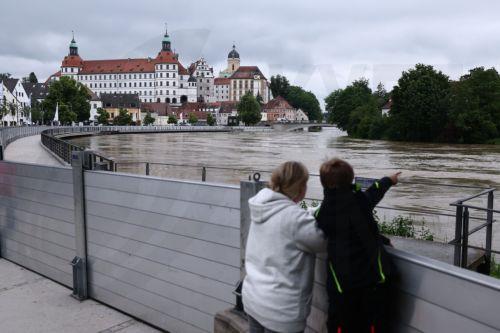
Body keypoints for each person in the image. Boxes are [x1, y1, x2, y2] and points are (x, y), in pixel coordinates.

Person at [315, 158, 400, 333]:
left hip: (342, 286)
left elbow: (342, 228)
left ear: (323, 183)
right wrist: (388, 180)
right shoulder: (360, 201)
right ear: (350, 179)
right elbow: (373, 193)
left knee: (341, 323)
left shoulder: (322, 213)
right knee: (374, 322)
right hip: (373, 282)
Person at [243, 161, 326, 333]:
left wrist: (313, 211)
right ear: (300, 187)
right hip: (281, 313)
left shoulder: (263, 206)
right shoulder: (294, 219)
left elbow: (289, 218)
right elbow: (322, 240)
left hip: (254, 299)